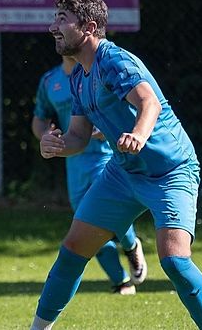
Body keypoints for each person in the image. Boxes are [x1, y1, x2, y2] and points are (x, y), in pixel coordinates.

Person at [30, 0, 202, 330]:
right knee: (72, 250)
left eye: (62, 19)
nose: (52, 27)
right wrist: (54, 145)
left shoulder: (114, 61)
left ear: (89, 27)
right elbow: (78, 137)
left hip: (170, 171)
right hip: (123, 173)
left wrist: (139, 135)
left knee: (174, 261)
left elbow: (150, 103)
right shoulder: (77, 77)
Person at [32, 55, 147, 295]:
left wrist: (108, 128)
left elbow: (125, 108)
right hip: (73, 161)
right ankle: (120, 281)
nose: (60, 32)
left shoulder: (99, 73)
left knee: (109, 212)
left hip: (105, 156)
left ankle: (130, 244)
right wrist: (46, 136)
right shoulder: (50, 80)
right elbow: (39, 119)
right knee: (85, 221)